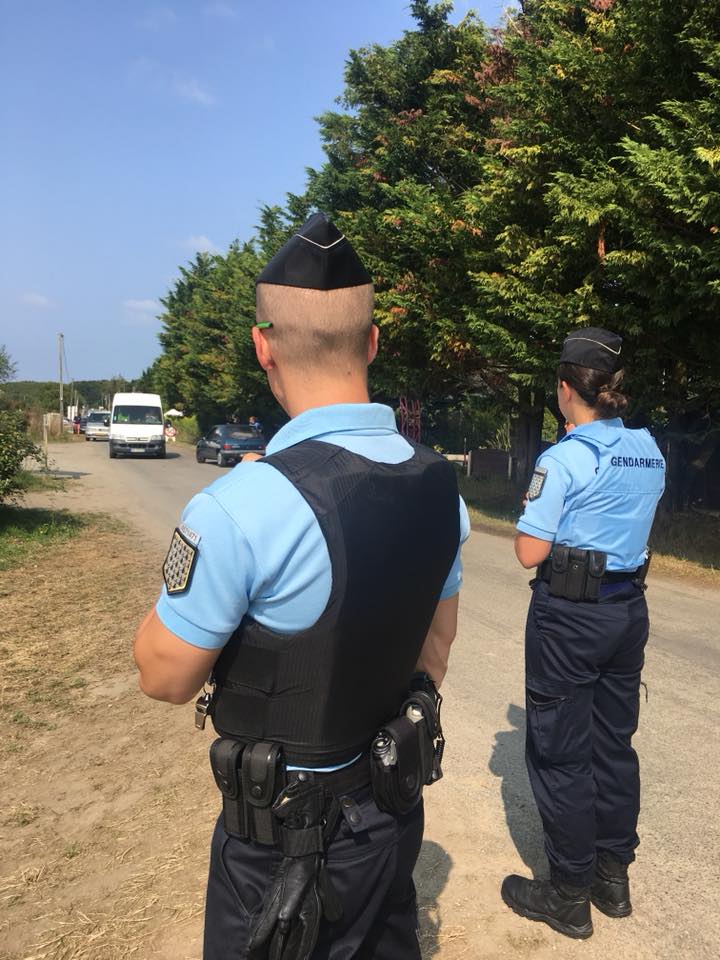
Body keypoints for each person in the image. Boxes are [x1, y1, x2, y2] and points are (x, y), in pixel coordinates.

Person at [133, 212, 469, 960]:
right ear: (372, 341)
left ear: (263, 346)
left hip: (284, 852)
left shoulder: (240, 506)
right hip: (391, 812)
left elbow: (164, 677)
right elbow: (436, 651)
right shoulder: (439, 486)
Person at [501, 327, 665, 939]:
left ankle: (568, 892)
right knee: (613, 744)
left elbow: (528, 552)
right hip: (627, 610)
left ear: (567, 388)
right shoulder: (649, 450)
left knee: (562, 753)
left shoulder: (564, 458)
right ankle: (611, 876)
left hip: (570, 618)